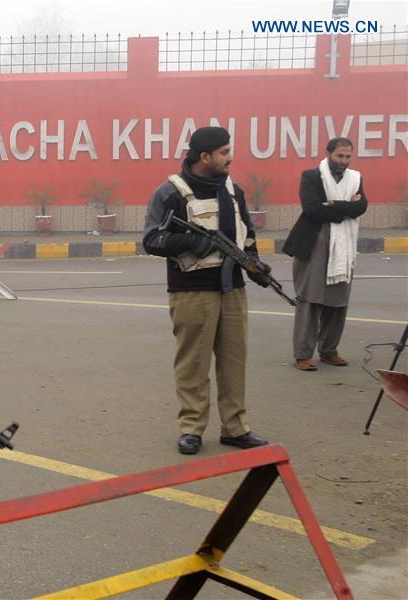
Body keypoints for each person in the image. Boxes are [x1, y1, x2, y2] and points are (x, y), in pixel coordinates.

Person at [142, 126, 270, 455]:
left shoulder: (233, 191)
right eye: (224, 152)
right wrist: (190, 240)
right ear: (205, 157)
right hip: (191, 292)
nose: (231, 157)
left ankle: (235, 428)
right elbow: (152, 239)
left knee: (234, 362)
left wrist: (254, 264)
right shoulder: (170, 192)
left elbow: (248, 234)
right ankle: (192, 428)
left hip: (232, 291)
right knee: (193, 365)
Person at [282, 138, 368, 371]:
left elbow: (361, 207)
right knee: (309, 300)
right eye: (339, 156)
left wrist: (331, 205)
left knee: (338, 302)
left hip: (344, 248)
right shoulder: (311, 176)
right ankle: (303, 354)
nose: (343, 161)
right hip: (314, 244)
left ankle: (329, 350)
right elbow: (312, 209)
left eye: (348, 156)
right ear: (328, 154)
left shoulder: (355, 179)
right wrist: (344, 207)